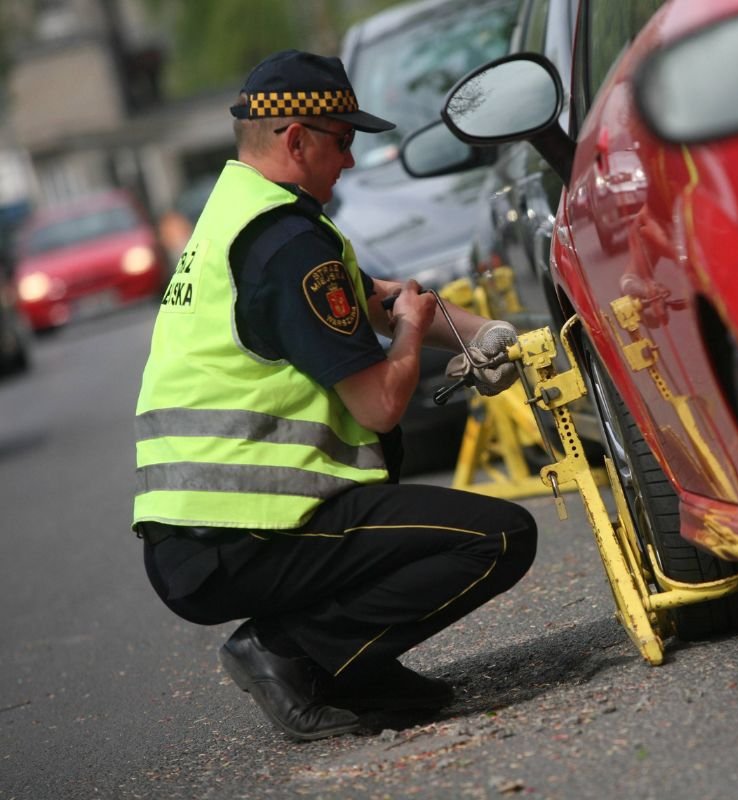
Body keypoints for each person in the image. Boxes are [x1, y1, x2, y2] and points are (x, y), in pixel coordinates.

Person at [132, 50, 537, 742]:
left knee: (418, 527)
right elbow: (380, 402)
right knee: (499, 538)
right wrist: (409, 341)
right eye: (343, 141)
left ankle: (348, 667)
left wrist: (496, 336)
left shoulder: (244, 216)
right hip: (242, 532)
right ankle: (290, 654)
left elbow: (383, 299)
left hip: (201, 532)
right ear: (295, 140)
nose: (349, 161)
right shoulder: (288, 243)